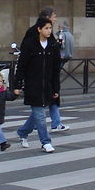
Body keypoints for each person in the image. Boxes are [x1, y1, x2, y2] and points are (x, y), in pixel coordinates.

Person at [13, 16, 62, 153]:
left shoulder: (53, 45)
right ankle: (45, 142)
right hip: (33, 85)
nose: (49, 31)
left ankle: (22, 132)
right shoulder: (30, 44)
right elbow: (21, 66)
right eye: (46, 28)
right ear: (39, 29)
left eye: (50, 28)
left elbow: (56, 69)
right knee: (40, 114)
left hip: (47, 85)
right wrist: (17, 85)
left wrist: (56, 88)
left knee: (37, 113)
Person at [21, 7, 69, 132]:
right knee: (41, 106)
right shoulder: (34, 33)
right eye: (54, 16)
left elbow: (52, 49)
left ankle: (53, 123)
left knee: (42, 106)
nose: (55, 19)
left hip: (47, 75)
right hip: (37, 76)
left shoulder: (47, 33)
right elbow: (24, 58)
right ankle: (46, 137)